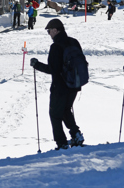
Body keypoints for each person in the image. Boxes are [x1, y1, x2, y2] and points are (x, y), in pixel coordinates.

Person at [30, 19, 86, 149]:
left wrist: (36, 65)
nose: (49, 34)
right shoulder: (74, 41)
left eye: (49, 31)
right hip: (74, 85)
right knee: (66, 110)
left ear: (56, 30)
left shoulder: (56, 46)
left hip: (60, 87)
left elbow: (52, 69)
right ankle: (76, 134)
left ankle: (61, 143)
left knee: (55, 114)